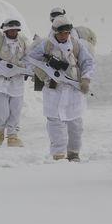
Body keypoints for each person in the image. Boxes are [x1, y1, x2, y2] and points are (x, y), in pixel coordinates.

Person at [28, 15, 95, 161]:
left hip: (73, 91)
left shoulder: (76, 45)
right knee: (55, 124)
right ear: (55, 32)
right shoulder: (46, 45)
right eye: (61, 33)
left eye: (66, 33)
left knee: (75, 125)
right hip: (54, 91)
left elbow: (88, 62)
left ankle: (73, 153)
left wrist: (85, 79)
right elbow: (31, 59)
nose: (64, 36)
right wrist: (44, 72)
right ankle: (58, 154)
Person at [0, 18, 29, 147]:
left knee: (16, 110)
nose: (13, 32)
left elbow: (29, 58)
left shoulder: (23, 41)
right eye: (11, 30)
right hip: (0, 82)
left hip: (17, 82)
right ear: (6, 30)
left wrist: (23, 67)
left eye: (15, 30)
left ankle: (13, 136)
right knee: (2, 112)